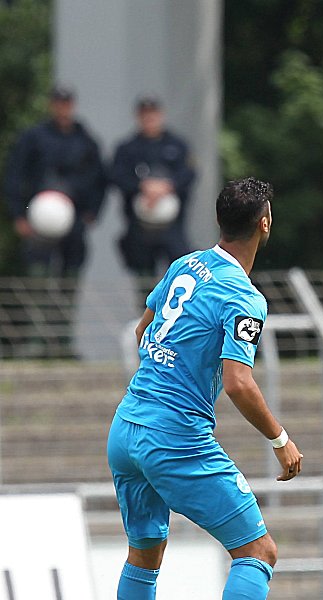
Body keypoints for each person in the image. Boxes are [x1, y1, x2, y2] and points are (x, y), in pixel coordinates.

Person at [107, 177, 303, 599]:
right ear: (264, 223)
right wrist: (279, 438)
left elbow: (144, 330)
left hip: (127, 426)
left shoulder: (186, 263)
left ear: (220, 220)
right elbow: (238, 383)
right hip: (174, 438)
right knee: (258, 551)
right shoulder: (243, 298)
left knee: (144, 554)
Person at [3, 83, 106, 277]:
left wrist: (93, 210)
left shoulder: (85, 140)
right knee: (37, 271)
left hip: (74, 215)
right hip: (37, 216)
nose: (62, 108)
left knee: (72, 268)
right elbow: (15, 174)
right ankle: (39, 308)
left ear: (73, 105)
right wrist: (18, 214)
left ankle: (64, 308)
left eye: (66, 103)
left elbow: (99, 178)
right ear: (51, 105)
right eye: (58, 103)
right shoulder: (33, 137)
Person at [110, 94, 196, 281]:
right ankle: (147, 309)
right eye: (145, 114)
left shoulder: (177, 145)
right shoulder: (127, 148)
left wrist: (167, 186)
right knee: (143, 276)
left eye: (153, 113)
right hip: (139, 226)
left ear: (161, 115)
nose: (149, 118)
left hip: (172, 226)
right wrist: (142, 186)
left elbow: (189, 173)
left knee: (181, 271)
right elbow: (116, 176)